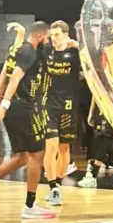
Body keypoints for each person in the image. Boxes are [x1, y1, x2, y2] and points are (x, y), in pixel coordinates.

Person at [0, 21, 56, 220]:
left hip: (17, 109)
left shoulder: (21, 50)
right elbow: (14, 79)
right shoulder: (28, 52)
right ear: (41, 36)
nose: (49, 41)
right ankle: (30, 206)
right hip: (22, 108)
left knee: (23, 157)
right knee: (37, 154)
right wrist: (3, 107)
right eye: (48, 37)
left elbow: (3, 79)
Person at [35, 20, 81, 207]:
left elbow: (96, 57)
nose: (54, 39)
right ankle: (52, 187)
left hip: (70, 103)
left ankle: (59, 185)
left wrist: (79, 44)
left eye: (57, 35)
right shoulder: (46, 51)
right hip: (49, 103)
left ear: (66, 34)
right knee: (51, 146)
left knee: (64, 148)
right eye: (52, 35)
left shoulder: (75, 52)